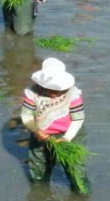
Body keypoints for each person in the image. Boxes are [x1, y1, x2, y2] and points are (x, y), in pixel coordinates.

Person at [20, 57, 89, 194]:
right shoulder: (32, 93)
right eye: (50, 90)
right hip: (41, 133)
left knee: (75, 168)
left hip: (69, 133)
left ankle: (81, 194)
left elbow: (78, 119)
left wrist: (67, 138)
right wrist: (36, 130)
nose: (54, 94)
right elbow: (26, 116)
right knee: (39, 164)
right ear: (42, 85)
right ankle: (39, 194)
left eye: (58, 90)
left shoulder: (72, 95)